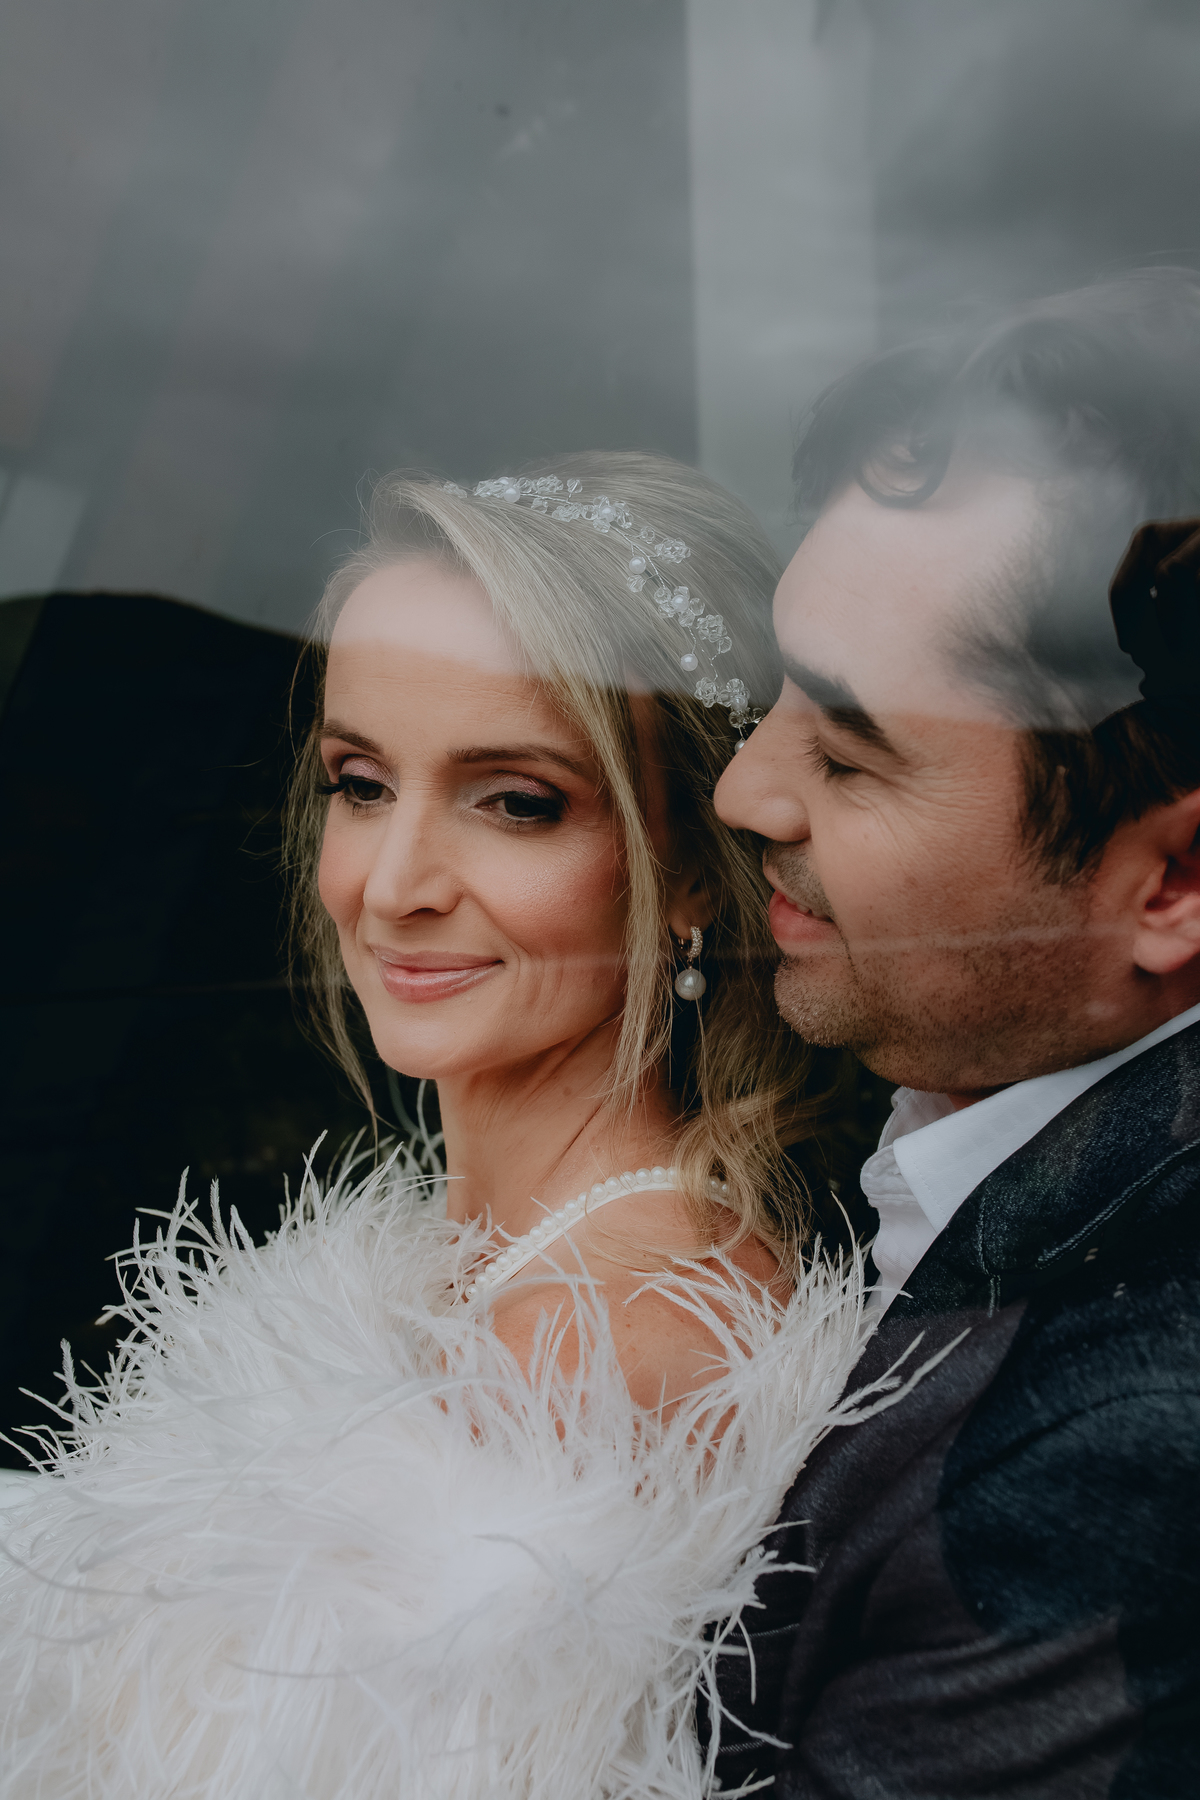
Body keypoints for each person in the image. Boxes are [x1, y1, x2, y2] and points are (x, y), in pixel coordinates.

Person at [0, 453, 890, 1800]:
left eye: (515, 802)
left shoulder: (597, 1345)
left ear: (693, 873)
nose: (394, 885)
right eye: (361, 783)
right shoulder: (481, 1265)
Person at [710, 267, 1200, 1796]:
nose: (742, 790)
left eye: (852, 756)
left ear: (1173, 882)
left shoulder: (1125, 1456)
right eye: (774, 697)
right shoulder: (922, 1095)